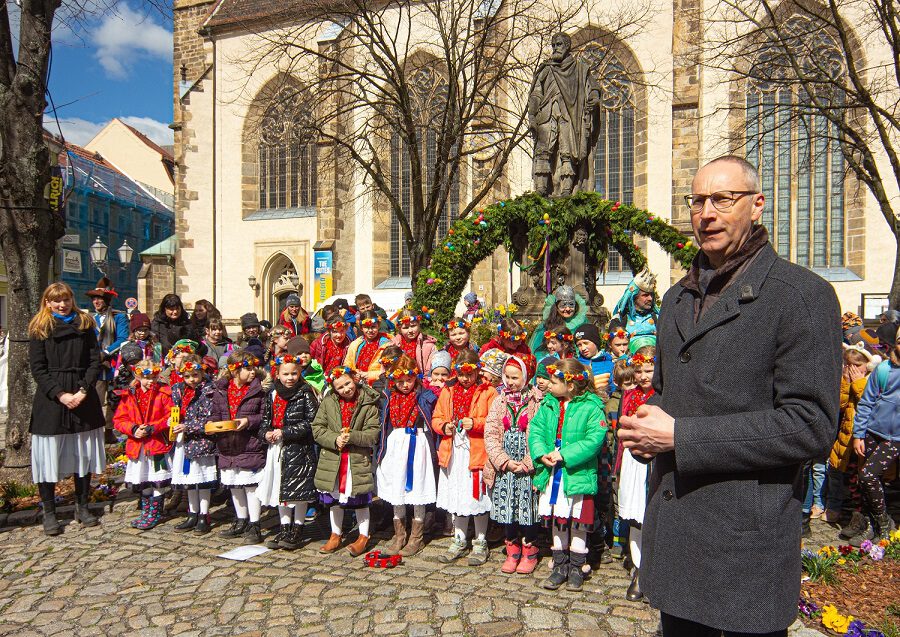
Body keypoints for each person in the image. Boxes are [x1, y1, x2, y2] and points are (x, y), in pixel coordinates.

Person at [618, 155, 841, 636]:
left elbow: (811, 425)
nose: (707, 212)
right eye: (697, 201)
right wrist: (646, 423)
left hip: (746, 552)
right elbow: (666, 392)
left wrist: (681, 437)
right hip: (678, 538)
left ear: (757, 205)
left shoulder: (800, 296)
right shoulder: (677, 297)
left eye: (723, 199)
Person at [28, 282, 106, 535]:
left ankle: (81, 506)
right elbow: (38, 367)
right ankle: (49, 512)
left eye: (66, 300)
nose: (62, 305)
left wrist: (83, 390)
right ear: (48, 303)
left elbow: (95, 360)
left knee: (82, 455)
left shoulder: (85, 325)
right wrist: (60, 394)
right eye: (56, 300)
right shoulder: (40, 327)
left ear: (72, 300)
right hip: (53, 398)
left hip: (82, 394)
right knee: (49, 456)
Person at [529, 358, 606, 592]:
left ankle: (576, 567)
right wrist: (541, 452)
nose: (548, 385)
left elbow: (594, 440)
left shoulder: (592, 408)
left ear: (570, 385)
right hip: (553, 472)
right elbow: (536, 430)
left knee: (577, 522)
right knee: (558, 520)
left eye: (553, 381)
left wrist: (565, 454)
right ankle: (559, 566)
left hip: (577, 473)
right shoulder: (549, 405)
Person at [432, 350, 498, 565]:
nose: (465, 379)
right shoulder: (448, 390)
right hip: (454, 451)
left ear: (477, 371)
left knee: (476, 496)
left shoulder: (488, 391)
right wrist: (444, 427)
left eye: (469, 374)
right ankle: (459, 539)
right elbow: (437, 417)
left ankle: (480, 541)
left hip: (476, 451)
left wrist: (475, 423)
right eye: (461, 374)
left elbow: (496, 420)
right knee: (458, 496)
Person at [312, 367, 381, 557]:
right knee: (334, 499)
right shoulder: (328, 403)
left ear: (355, 379)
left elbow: (373, 434)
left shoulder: (368, 403)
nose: (346, 389)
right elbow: (317, 428)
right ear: (334, 389)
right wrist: (334, 439)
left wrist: (352, 436)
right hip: (333, 458)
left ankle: (363, 536)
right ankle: (335, 534)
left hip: (356, 459)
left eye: (348, 383)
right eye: (340, 387)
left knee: (359, 498)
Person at [484, 356, 543, 575]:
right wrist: (504, 461)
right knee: (508, 508)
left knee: (527, 508)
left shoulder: (536, 401)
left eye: (515, 377)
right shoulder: (499, 401)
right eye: (507, 377)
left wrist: (528, 462)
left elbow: (540, 433)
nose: (510, 382)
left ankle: (530, 548)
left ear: (526, 377)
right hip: (506, 465)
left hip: (527, 465)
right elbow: (490, 433)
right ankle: (512, 549)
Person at [376, 355, 439, 557]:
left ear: (416, 378)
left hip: (417, 444)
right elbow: (384, 425)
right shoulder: (388, 397)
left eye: (409, 380)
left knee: (417, 486)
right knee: (397, 487)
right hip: (395, 445)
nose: (405, 385)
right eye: (400, 381)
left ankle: (417, 536)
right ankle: (399, 534)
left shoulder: (425, 396)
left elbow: (432, 421)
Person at [256, 353, 320, 551]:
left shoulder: (305, 393)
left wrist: (285, 432)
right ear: (278, 374)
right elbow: (265, 419)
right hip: (277, 448)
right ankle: (284, 528)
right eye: (286, 374)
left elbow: (311, 422)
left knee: (298, 490)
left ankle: (298, 529)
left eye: (294, 373)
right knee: (280, 489)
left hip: (298, 449)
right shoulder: (273, 394)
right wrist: (265, 434)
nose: (290, 378)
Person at [848, 328, 900, 544]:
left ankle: (884, 523)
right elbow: (867, 402)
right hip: (873, 431)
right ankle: (871, 525)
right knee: (867, 480)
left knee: (869, 475)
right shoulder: (885, 369)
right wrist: (859, 434)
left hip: (895, 438)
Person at [209, 350, 266, 544]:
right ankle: (240, 519)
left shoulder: (258, 392)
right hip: (227, 445)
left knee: (250, 486)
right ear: (234, 371)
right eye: (248, 369)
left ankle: (255, 524)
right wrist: (211, 426)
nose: (253, 373)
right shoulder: (221, 391)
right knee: (234, 485)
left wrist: (248, 421)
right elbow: (216, 415)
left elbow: (264, 417)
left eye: (254, 369)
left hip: (249, 444)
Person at [113, 359, 174, 530]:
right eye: (147, 378)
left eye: (154, 377)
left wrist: (154, 427)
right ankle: (146, 511)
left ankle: (155, 512)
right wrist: (133, 429)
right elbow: (119, 419)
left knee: (158, 479)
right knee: (144, 479)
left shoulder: (163, 394)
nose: (151, 381)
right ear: (137, 376)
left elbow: (171, 417)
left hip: (156, 445)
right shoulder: (129, 395)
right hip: (137, 445)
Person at [616, 348, 656, 602]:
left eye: (648, 370)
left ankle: (656, 571)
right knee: (636, 517)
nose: (642, 376)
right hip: (633, 461)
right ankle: (639, 569)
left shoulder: (664, 395)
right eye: (639, 370)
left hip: (656, 460)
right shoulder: (629, 396)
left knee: (654, 515)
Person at [826, 343, 879, 528]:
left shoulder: (872, 378)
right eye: (849, 366)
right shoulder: (847, 380)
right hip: (846, 436)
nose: (853, 370)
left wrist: (857, 383)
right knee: (837, 472)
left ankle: (859, 518)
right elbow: (839, 405)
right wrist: (846, 384)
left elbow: (869, 403)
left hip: (864, 437)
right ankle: (837, 509)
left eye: (857, 366)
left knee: (858, 479)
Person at [170, 355, 218, 535]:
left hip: (201, 441)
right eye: (188, 376)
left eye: (195, 375)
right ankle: (192, 512)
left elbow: (210, 417)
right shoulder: (178, 390)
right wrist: (172, 422)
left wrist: (189, 426)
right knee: (189, 479)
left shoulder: (209, 391)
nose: (192, 380)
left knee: (202, 480)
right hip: (184, 440)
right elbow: (175, 410)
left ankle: (204, 515)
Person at [86, 277, 130, 442]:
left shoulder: (119, 317)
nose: (96, 301)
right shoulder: (90, 319)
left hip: (112, 364)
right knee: (95, 398)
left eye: (99, 298)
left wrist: (105, 352)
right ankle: (95, 429)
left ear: (107, 300)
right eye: (94, 299)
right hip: (94, 365)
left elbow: (123, 338)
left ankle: (109, 430)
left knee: (113, 399)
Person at [528, 285, 588, 360]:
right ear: (556, 306)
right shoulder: (547, 324)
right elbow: (538, 351)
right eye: (563, 305)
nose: (568, 309)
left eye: (571, 304)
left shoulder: (582, 321)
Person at [344, 310, 392, 385]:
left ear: (378, 326)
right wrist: (353, 374)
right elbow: (347, 364)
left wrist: (370, 375)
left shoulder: (387, 345)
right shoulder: (355, 344)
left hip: (378, 385)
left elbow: (391, 369)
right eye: (366, 327)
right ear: (361, 327)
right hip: (358, 384)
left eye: (373, 327)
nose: (370, 330)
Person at [609, 269, 659, 340]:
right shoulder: (620, 320)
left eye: (651, 295)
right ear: (634, 297)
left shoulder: (658, 318)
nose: (650, 298)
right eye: (645, 295)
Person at [152, 294, 199, 359]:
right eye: (171, 309)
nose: (175, 312)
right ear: (165, 309)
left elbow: (193, 342)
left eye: (177, 309)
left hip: (183, 360)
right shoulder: (157, 323)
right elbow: (155, 343)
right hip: (162, 359)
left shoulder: (187, 323)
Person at [392, 309, 438, 374]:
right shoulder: (394, 344)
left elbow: (431, 370)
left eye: (413, 326)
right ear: (399, 329)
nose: (410, 330)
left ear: (419, 324)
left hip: (423, 381)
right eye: (406, 328)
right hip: (400, 382)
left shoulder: (429, 346)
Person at [574, 323, 615, 396]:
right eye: (579, 345)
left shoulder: (609, 364)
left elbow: (613, 389)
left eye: (586, 343)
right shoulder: (577, 365)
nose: (583, 348)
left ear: (596, 342)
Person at [310, 309, 353, 375]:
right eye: (335, 331)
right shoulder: (319, 343)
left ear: (346, 329)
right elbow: (309, 360)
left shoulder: (349, 345)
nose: (339, 335)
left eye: (342, 331)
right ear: (329, 331)